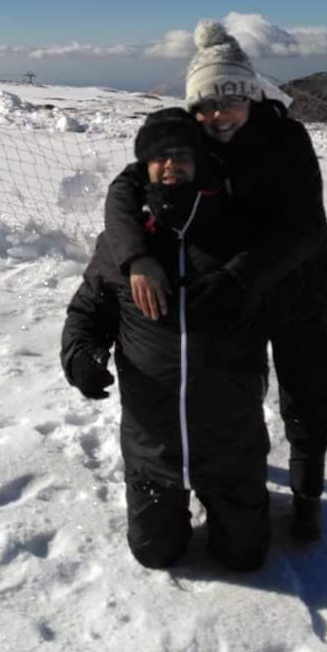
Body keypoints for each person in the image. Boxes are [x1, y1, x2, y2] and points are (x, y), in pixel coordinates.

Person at [103, 21, 327, 542]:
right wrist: (134, 257)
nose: (217, 117)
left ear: (253, 96)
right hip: (231, 283)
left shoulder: (287, 140)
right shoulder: (193, 138)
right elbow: (128, 185)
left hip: (297, 285)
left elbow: (302, 228)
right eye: (205, 106)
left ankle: (308, 495)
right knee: (230, 381)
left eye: (230, 102)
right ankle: (231, 470)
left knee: (308, 392)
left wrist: (240, 281)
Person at [61, 108, 272, 572]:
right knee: (155, 554)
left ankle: (235, 496)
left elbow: (285, 311)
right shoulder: (123, 242)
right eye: (159, 157)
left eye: (181, 155)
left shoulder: (237, 234)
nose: (170, 165)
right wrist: (80, 354)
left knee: (245, 556)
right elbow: (88, 309)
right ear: (145, 165)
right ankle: (168, 498)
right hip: (151, 442)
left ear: (201, 161)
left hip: (230, 438)